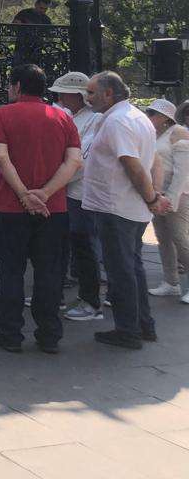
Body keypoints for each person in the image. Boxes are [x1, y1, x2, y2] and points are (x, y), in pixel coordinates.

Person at [0, 64, 82, 354]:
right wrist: (46, 193)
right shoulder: (63, 118)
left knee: (11, 272)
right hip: (54, 209)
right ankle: (49, 334)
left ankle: (10, 333)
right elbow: (74, 161)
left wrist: (25, 195)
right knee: (49, 273)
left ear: (17, 87)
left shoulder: (3, 114)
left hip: (10, 207)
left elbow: (1, 158)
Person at [83, 72, 171, 349]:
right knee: (132, 267)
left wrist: (152, 197)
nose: (88, 98)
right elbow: (151, 161)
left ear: (109, 94)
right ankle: (143, 325)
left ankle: (128, 330)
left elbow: (133, 164)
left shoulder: (119, 121)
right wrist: (152, 196)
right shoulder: (134, 117)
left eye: (92, 92)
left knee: (121, 270)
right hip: (126, 207)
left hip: (116, 208)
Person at [44, 73, 106, 322]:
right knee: (61, 244)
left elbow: (82, 160)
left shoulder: (95, 120)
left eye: (64, 93)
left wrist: (52, 183)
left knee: (84, 246)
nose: (59, 97)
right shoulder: (69, 116)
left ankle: (91, 300)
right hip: (65, 190)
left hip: (81, 193)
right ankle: (55, 294)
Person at [148, 99, 189, 301]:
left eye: (152, 113)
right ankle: (170, 282)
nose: (148, 116)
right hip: (158, 194)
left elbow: (183, 171)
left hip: (179, 195)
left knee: (181, 240)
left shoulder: (179, 132)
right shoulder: (155, 135)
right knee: (163, 239)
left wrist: (171, 198)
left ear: (165, 118)